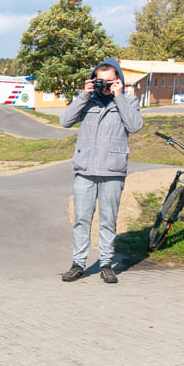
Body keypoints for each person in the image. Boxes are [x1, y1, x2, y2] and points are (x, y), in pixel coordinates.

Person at [59, 58, 143, 284]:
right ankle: (78, 264)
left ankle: (106, 263)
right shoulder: (87, 100)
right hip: (85, 169)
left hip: (112, 170)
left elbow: (134, 126)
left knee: (108, 220)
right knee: (81, 220)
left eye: (109, 81)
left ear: (118, 80)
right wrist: (83, 95)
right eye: (99, 81)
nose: (103, 85)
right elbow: (65, 121)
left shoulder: (128, 101)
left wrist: (119, 96)